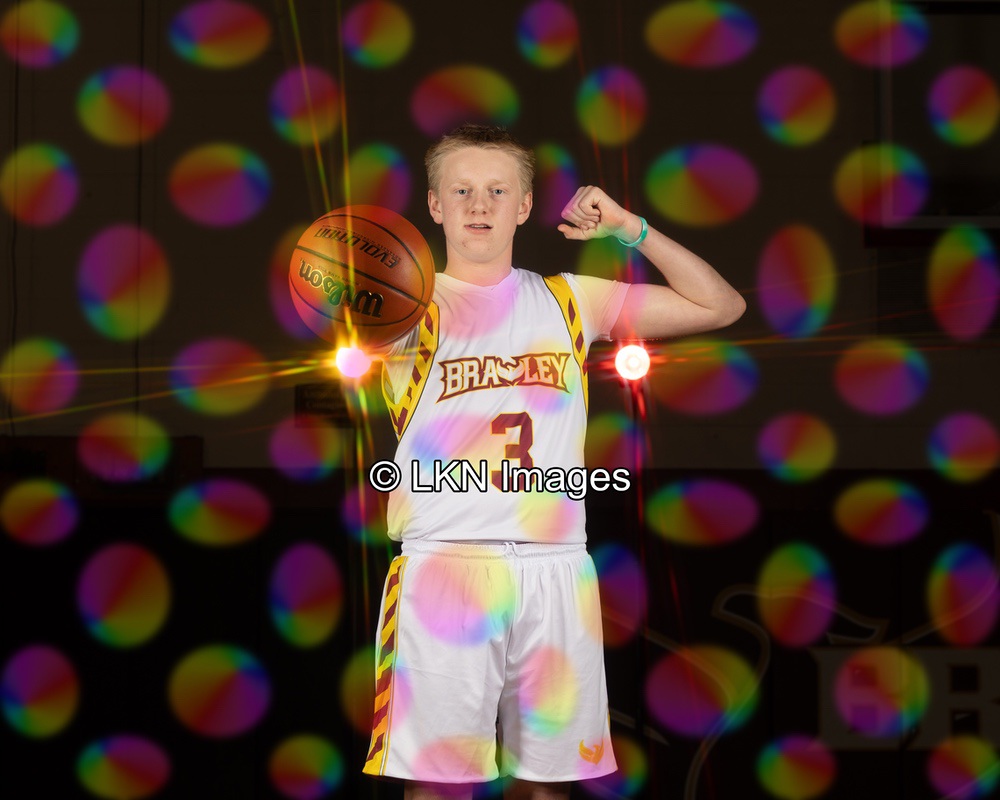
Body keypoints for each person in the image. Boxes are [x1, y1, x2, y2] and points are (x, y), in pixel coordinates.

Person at [362, 124, 745, 800]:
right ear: (435, 206)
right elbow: (330, 298)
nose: (479, 205)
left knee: (551, 785)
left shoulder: (571, 299)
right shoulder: (402, 307)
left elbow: (721, 305)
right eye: (461, 190)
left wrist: (629, 230)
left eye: (497, 190)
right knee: (437, 788)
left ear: (525, 205)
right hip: (447, 565)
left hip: (557, 565)